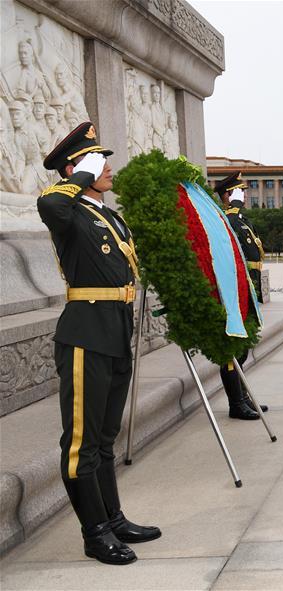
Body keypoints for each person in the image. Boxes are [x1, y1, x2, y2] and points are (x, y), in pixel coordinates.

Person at [37, 122, 160, 565]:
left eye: (102, 159)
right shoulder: (65, 207)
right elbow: (50, 202)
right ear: (74, 168)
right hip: (85, 334)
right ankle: (94, 533)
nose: (107, 167)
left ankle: (113, 518)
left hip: (115, 330)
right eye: (95, 159)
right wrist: (79, 178)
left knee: (106, 436)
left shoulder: (107, 214)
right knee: (81, 442)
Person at [214, 172, 267, 419]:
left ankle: (244, 398)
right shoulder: (227, 218)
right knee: (232, 352)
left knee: (243, 349)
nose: (242, 196)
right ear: (227, 195)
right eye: (237, 191)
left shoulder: (242, 219)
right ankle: (236, 404)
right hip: (236, 291)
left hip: (248, 289)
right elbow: (228, 233)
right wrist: (233, 207)